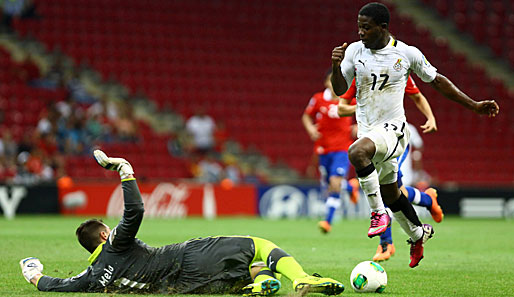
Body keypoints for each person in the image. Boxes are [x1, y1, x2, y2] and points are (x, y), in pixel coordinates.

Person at [20, 150, 344, 296]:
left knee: (247, 274)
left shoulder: (92, 277)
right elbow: (134, 212)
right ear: (104, 234)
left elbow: (57, 285)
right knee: (257, 245)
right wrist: (125, 170)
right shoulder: (115, 244)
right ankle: (301, 279)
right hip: (185, 257)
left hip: (187, 288)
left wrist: (33, 274)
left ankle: (258, 286)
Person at [331, 2, 499, 268]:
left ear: (382, 27)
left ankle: (377, 216)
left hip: (394, 131)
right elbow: (340, 90)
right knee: (392, 195)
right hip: (369, 131)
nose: (360, 32)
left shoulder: (406, 54)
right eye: (359, 27)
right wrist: (336, 66)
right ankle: (419, 235)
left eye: (366, 27)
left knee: (356, 152)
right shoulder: (354, 50)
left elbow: (438, 82)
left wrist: (474, 105)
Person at [340, 76, 444, 261]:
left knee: (384, 190)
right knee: (394, 191)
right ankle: (427, 201)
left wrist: (431, 117)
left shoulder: (397, 67)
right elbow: (341, 108)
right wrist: (363, 109)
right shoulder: (361, 75)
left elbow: (418, 96)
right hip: (372, 139)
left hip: (394, 138)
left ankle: (386, 244)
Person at [302, 71, 360, 234]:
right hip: (323, 149)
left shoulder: (348, 100)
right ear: (326, 83)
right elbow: (306, 117)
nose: (334, 85)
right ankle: (349, 187)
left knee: (334, 183)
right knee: (329, 184)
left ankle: (327, 221)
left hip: (342, 149)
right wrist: (310, 129)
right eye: (331, 81)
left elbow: (363, 114)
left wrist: (357, 127)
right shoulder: (318, 99)